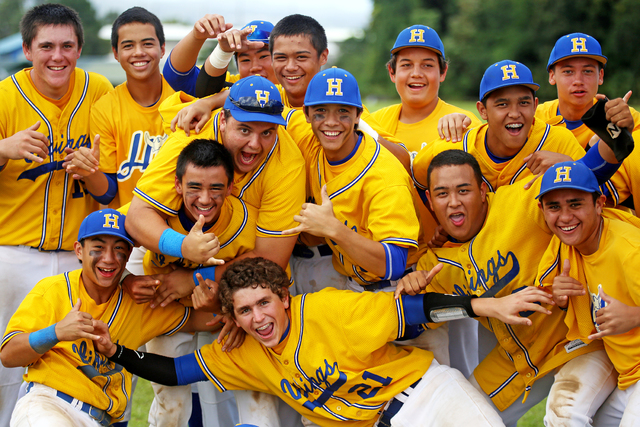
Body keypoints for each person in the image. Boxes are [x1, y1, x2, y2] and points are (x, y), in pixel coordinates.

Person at [93, 257, 562, 427]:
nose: (258, 318)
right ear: (231, 317)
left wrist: (486, 306)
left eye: (264, 303)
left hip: (428, 400)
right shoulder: (244, 354)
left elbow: (414, 310)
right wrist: (117, 353)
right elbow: (174, 372)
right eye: (244, 310)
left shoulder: (330, 310)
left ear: (285, 298)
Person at [396, 142, 638, 426]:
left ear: (483, 190)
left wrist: (613, 138)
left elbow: (578, 186)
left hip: (574, 342)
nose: (453, 202)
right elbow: (408, 320)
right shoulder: (433, 264)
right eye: (442, 194)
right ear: (430, 201)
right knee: (460, 416)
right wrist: (411, 287)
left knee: (565, 413)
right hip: (517, 359)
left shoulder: (520, 200)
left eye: (464, 190)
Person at [126, 75, 305, 427]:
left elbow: (269, 262)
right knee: (171, 405)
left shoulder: (287, 163)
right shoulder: (192, 137)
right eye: (244, 130)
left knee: (255, 399)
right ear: (221, 120)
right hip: (167, 273)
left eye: (267, 132)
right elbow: (137, 215)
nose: (255, 143)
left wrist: (196, 279)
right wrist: (182, 248)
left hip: (245, 287)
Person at [0, 4, 112, 423]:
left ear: (80, 48)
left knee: (72, 365)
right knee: (5, 366)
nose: (57, 56)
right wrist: (3, 149)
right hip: (11, 253)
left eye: (67, 45)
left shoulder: (98, 89)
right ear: (27, 49)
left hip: (76, 257)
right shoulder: (5, 96)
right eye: (46, 46)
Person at [0, 209, 216, 426]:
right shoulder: (53, 290)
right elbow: (8, 356)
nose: (109, 258)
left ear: (129, 255)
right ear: (79, 250)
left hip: (98, 419)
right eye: (98, 248)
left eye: (119, 249)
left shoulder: (140, 304)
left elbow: (199, 319)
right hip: (47, 406)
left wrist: (216, 303)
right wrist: (55, 333)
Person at [140, 138, 258, 427]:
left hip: (218, 312)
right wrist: (131, 282)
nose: (205, 199)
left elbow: (260, 265)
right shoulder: (158, 215)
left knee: (228, 400)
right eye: (194, 187)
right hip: (166, 309)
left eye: (216, 188)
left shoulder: (245, 221)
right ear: (178, 185)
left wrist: (196, 279)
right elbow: (123, 245)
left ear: (231, 187)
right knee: (171, 407)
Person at [536, 161, 640, 426]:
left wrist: (635, 315)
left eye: (575, 204)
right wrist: (560, 298)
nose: (565, 216)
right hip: (627, 373)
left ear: (599, 203)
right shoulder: (566, 248)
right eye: (554, 207)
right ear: (543, 211)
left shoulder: (630, 250)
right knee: (563, 419)